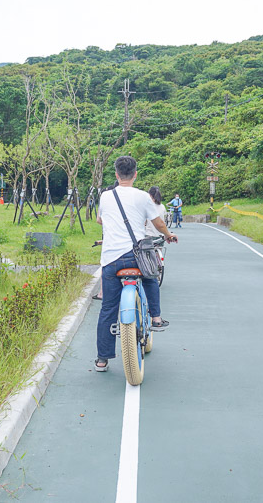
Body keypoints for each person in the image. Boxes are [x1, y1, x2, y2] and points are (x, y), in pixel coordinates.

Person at [94, 156, 177, 372]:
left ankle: (102, 359)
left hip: (111, 259)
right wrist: (168, 234)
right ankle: (156, 318)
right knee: (150, 276)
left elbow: (100, 220)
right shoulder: (142, 197)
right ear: (135, 174)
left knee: (108, 308)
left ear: (116, 174)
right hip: (135, 255)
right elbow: (157, 222)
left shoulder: (105, 196)